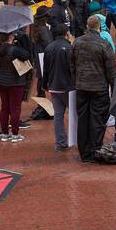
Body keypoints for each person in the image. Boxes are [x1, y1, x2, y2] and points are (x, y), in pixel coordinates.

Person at [71, 15, 116, 162]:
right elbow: (111, 70)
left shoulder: (76, 42)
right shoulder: (104, 45)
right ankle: (95, 150)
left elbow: (71, 65)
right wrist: (114, 89)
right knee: (98, 120)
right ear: (99, 27)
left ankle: (84, 153)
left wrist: (76, 80)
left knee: (83, 119)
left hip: (82, 87)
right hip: (99, 88)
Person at [0, 30, 32, 143]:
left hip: (1, 81)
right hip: (15, 82)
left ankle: (5, 134)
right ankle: (15, 134)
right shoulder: (14, 49)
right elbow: (27, 55)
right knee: (15, 109)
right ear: (9, 36)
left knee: (4, 108)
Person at [43, 24, 75, 153]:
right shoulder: (68, 47)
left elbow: (45, 68)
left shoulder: (49, 47)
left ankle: (60, 142)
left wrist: (45, 84)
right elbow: (72, 68)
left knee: (58, 115)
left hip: (54, 86)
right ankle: (76, 139)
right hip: (68, 87)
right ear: (66, 33)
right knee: (74, 114)